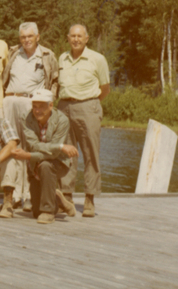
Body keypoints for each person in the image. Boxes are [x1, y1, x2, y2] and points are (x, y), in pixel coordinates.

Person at [1, 22, 59, 213]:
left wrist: (48, 105)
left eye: (29, 36)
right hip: (10, 101)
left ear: (37, 37)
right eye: (23, 37)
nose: (26, 40)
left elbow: (55, 82)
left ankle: (28, 195)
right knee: (12, 146)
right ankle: (15, 193)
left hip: (31, 104)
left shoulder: (47, 56)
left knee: (29, 147)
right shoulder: (13, 53)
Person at [58, 24, 110, 218]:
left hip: (88, 106)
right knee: (66, 153)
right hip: (64, 107)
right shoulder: (62, 58)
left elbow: (105, 88)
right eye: (72, 36)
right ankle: (67, 196)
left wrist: (91, 104)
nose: (76, 39)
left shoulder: (97, 59)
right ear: (68, 38)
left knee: (90, 153)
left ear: (87, 38)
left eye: (80, 36)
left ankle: (89, 198)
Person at [11, 89, 78, 224]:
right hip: (36, 164)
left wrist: (28, 156)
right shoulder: (27, 118)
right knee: (36, 213)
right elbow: (34, 145)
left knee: (46, 165)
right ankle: (56, 197)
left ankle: (48, 211)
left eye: (41, 107)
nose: (37, 111)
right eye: (34, 106)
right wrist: (60, 146)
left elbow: (53, 154)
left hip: (58, 162)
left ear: (51, 106)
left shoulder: (62, 120)